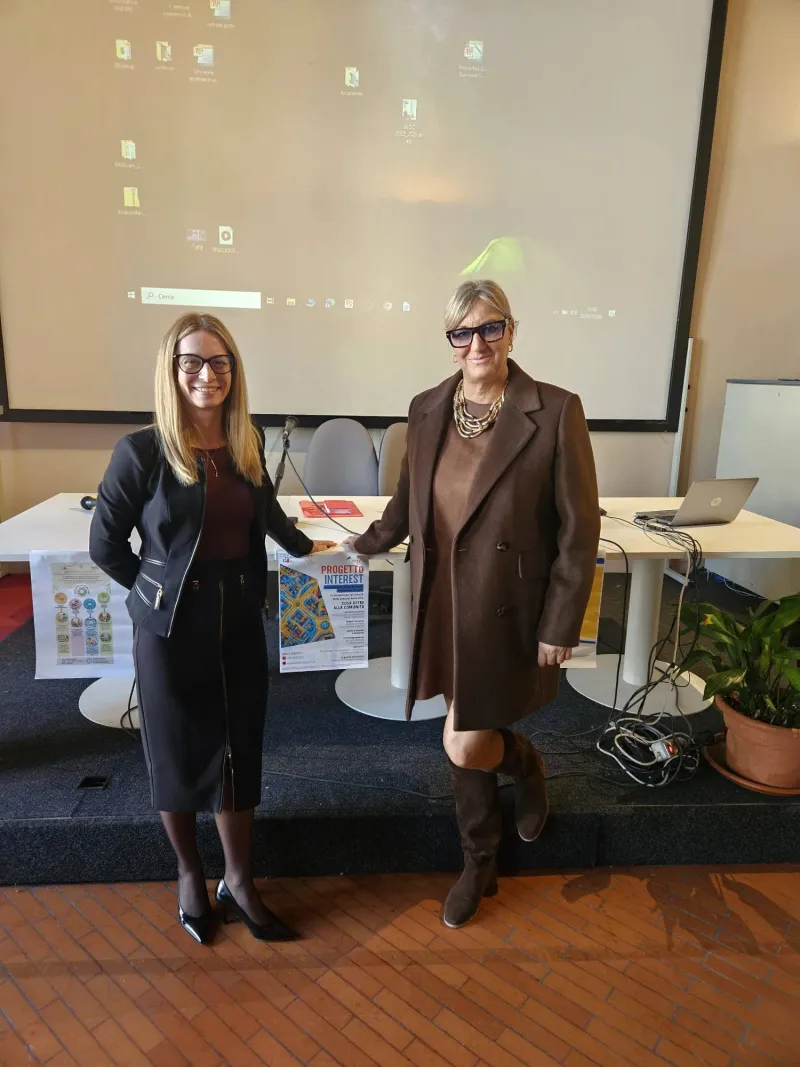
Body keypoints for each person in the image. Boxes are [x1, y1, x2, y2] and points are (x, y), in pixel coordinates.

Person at [347, 279, 600, 928]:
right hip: (442, 602)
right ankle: (518, 770)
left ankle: (483, 851)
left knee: (462, 739)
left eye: (490, 327)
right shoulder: (427, 407)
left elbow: (580, 529)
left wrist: (561, 621)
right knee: (470, 728)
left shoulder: (556, 410)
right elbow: (407, 501)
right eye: (462, 332)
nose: (477, 343)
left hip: (506, 604)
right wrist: (362, 544)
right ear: (450, 340)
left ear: (512, 331)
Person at [90, 313, 335, 944]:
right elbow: (105, 545)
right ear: (172, 371)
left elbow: (265, 510)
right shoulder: (141, 451)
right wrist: (155, 594)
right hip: (170, 628)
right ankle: (190, 875)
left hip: (239, 621)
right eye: (193, 362)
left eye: (219, 362)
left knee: (238, 751)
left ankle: (240, 880)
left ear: (234, 371)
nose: (208, 374)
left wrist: (304, 546)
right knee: (175, 753)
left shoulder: (244, 440)